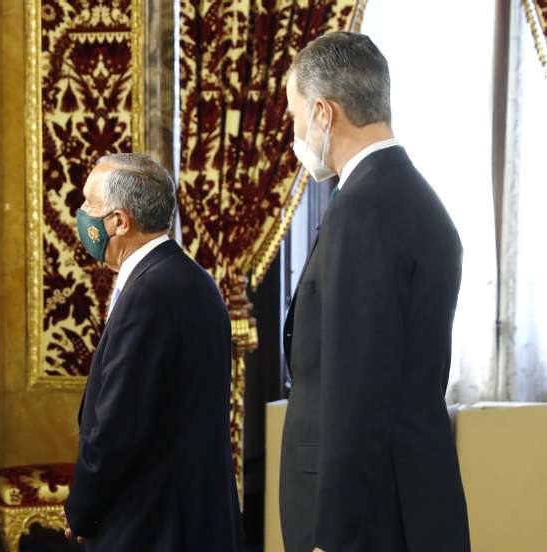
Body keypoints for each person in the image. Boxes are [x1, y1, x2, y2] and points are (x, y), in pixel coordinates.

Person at [280, 32, 470, 552]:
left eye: (295, 115)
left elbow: (357, 390)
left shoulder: (363, 209)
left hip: (366, 520)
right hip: (407, 495)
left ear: (323, 112)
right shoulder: (414, 197)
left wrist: (334, 536)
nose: (293, 132)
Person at [63, 153, 243, 551]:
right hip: (192, 518)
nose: (82, 214)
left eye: (91, 204)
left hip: (151, 526)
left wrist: (82, 509)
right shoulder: (191, 278)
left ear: (120, 222)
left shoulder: (149, 292)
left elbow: (119, 426)